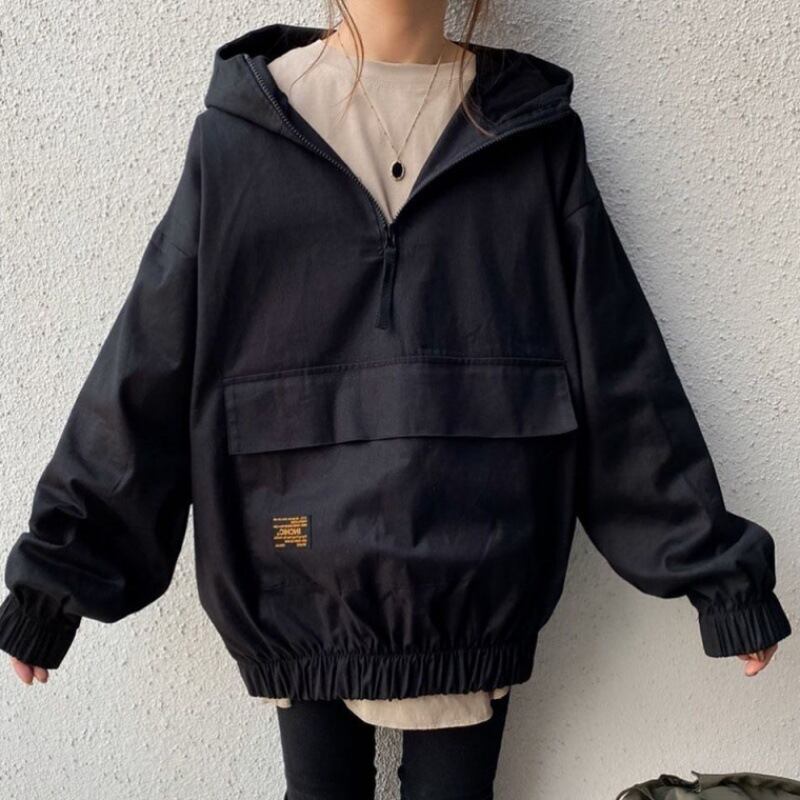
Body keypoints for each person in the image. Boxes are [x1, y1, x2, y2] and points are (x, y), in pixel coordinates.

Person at [1, 2, 791, 799]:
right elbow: (148, 365)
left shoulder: (530, 135)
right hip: (295, 577)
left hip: (473, 581)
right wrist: (57, 580)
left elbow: (620, 373)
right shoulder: (240, 137)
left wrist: (720, 575)